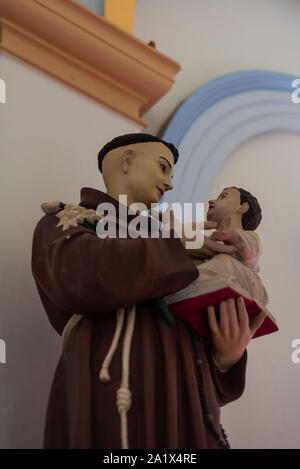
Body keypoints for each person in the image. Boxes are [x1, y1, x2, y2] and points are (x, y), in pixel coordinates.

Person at [31, 133, 264, 449]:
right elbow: (77, 279)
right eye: (163, 168)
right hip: (110, 386)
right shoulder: (68, 220)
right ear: (127, 160)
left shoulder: (179, 244)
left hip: (185, 407)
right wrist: (174, 246)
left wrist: (225, 359)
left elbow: (206, 367)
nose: (169, 184)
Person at [164, 187, 278, 343]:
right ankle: (184, 287)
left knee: (224, 263)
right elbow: (185, 246)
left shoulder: (249, 237)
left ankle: (187, 286)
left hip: (245, 282)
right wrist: (172, 228)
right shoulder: (211, 240)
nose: (212, 201)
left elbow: (252, 253)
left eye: (222, 197)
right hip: (215, 280)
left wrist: (232, 235)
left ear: (242, 207)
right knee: (195, 261)